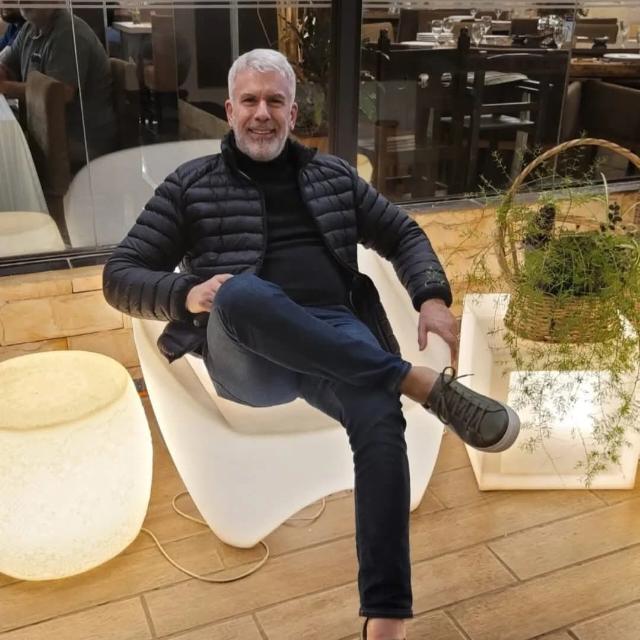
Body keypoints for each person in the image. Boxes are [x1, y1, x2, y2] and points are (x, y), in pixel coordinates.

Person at [103, 48, 520, 640]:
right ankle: (414, 381)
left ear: (293, 113)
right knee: (242, 293)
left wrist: (430, 295)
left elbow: (401, 232)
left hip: (335, 331)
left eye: (275, 101)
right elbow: (119, 275)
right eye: (250, 100)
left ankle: (386, 619)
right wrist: (188, 293)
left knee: (378, 416)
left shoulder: (334, 177)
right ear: (230, 110)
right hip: (247, 350)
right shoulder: (190, 185)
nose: (262, 113)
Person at [0, 5, 116, 166]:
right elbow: (6, 66)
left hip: (83, 143)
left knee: (6, 152)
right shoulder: (29, 29)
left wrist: (5, 87)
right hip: (46, 133)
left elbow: (60, 95)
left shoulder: (69, 33)